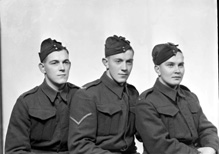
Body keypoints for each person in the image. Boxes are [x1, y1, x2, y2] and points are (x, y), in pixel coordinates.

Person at [135, 42, 219, 154]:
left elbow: (207, 129)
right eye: (170, 65)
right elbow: (159, 146)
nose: (177, 71)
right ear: (157, 69)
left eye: (180, 65)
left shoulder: (190, 97)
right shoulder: (146, 102)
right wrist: (196, 153)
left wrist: (211, 148)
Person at [5, 38, 79, 154]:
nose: (62, 68)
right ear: (42, 68)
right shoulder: (26, 102)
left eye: (65, 62)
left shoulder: (81, 97)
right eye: (54, 63)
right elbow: (15, 150)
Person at [68, 35, 139, 154]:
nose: (125, 68)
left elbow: (144, 134)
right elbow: (79, 145)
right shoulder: (87, 95)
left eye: (129, 62)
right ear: (106, 63)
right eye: (118, 61)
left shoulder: (132, 94)